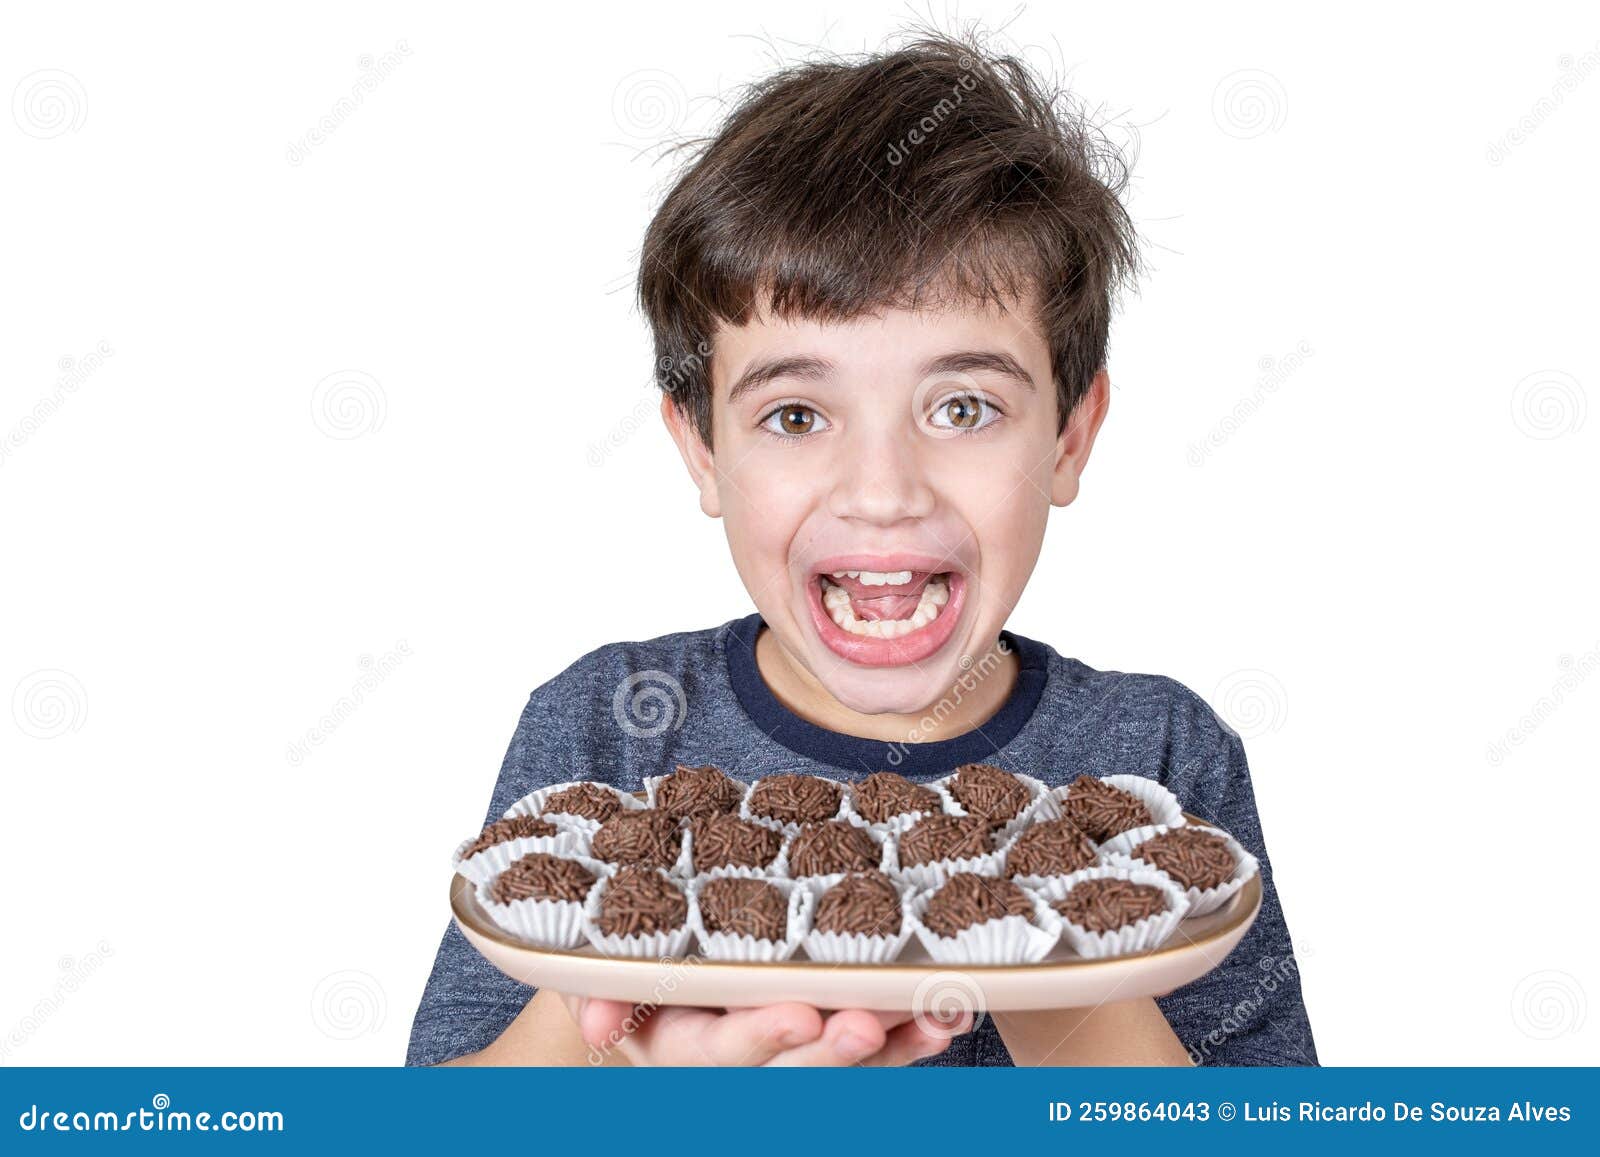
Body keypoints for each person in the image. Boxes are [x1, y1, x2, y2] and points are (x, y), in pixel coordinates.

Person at [407, 30, 1316, 1067]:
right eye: (796, 416)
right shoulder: (605, 733)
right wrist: (611, 1033)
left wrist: (1054, 952)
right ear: (701, 448)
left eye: (963, 406)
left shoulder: (1156, 750)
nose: (883, 491)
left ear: (1069, 434)